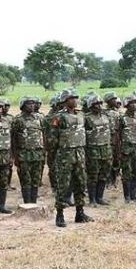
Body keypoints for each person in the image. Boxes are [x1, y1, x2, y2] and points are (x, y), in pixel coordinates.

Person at [47, 91, 90, 227]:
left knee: (81, 183)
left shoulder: (81, 115)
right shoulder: (58, 117)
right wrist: (53, 158)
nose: (75, 100)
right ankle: (60, 215)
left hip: (80, 153)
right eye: (72, 98)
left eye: (76, 98)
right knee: (63, 185)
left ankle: (80, 212)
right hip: (65, 155)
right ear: (65, 100)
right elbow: (52, 140)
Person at [11, 96, 45, 205]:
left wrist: (44, 151)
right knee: (25, 180)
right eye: (28, 104)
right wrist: (15, 156)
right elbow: (13, 139)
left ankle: (33, 202)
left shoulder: (39, 118)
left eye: (33, 103)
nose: (32, 106)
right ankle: (27, 203)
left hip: (37, 154)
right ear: (23, 106)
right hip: (23, 154)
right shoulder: (17, 120)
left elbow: (44, 134)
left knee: (35, 180)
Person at [83, 95, 113, 206]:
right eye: (96, 104)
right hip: (93, 150)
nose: (99, 106)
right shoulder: (86, 118)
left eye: (100, 103)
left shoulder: (105, 117)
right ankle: (92, 200)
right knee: (92, 175)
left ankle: (99, 197)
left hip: (106, 149)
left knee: (104, 174)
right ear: (91, 105)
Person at [114, 96, 136, 203]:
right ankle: (127, 197)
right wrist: (118, 151)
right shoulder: (122, 118)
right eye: (131, 103)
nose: (134, 105)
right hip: (126, 150)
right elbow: (117, 136)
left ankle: (133, 195)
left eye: (135, 103)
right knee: (127, 173)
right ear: (126, 105)